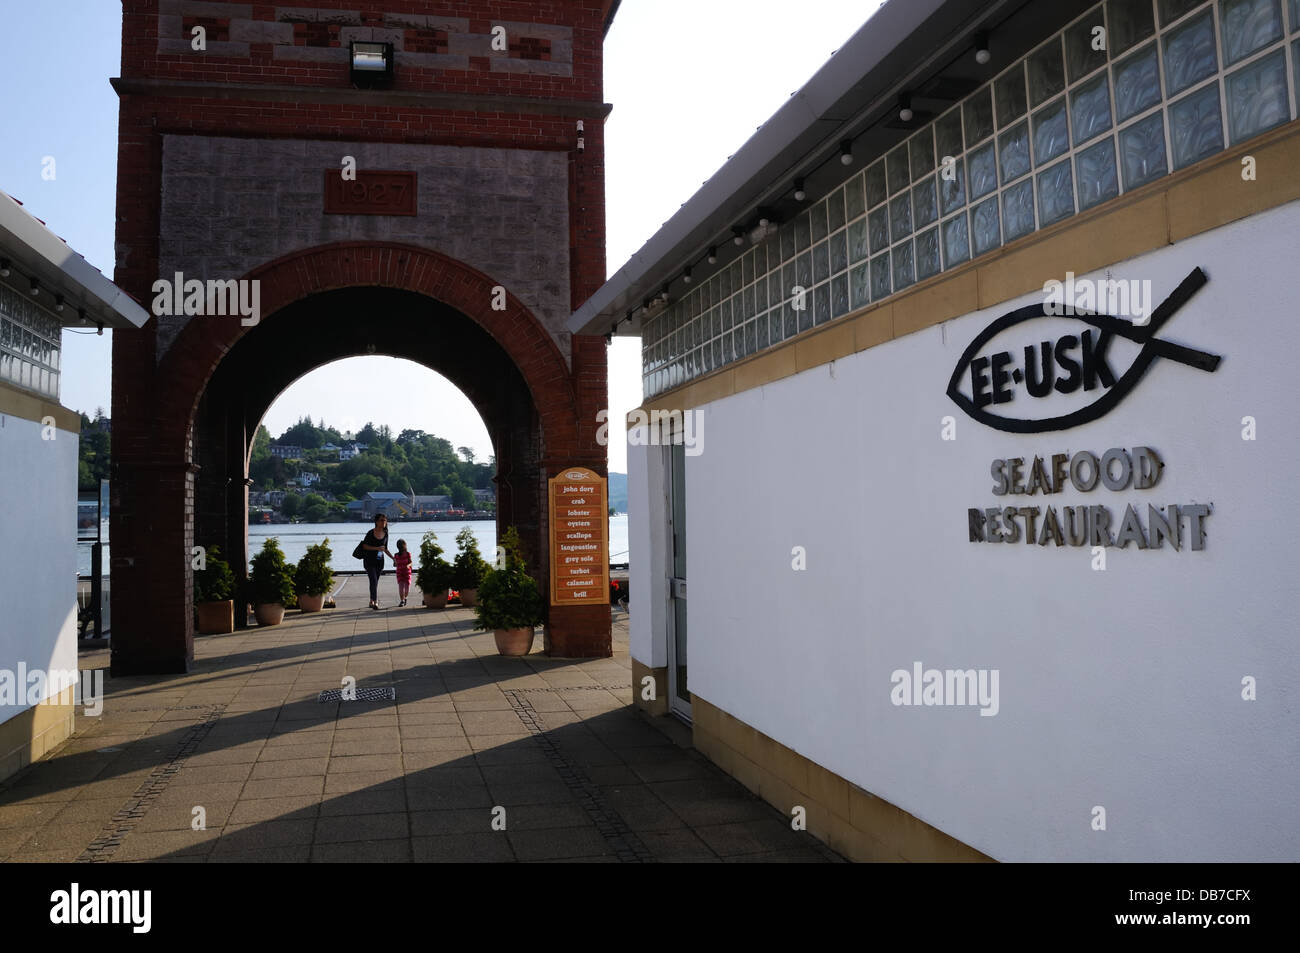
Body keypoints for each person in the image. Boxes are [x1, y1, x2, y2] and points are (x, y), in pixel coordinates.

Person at [360, 514, 394, 609]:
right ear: (376, 522)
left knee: (374, 582)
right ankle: (375, 601)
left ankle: (371, 600)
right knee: (373, 580)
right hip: (369, 560)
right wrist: (377, 548)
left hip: (379, 561)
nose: (383, 522)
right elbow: (364, 546)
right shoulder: (370, 533)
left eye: (385, 520)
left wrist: (393, 558)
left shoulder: (386, 533)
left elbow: (385, 549)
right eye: (381, 520)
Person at [393, 539, 413, 607]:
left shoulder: (408, 554)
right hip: (400, 573)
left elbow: (411, 562)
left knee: (406, 589)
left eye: (402, 545)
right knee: (401, 587)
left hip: (407, 572)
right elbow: (394, 564)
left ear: (405, 546)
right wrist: (395, 563)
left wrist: (408, 565)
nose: (401, 547)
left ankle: (405, 598)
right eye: (400, 546)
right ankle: (402, 600)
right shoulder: (396, 555)